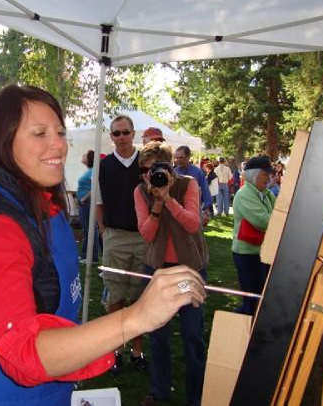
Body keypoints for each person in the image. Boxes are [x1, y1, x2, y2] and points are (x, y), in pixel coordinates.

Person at [0, 84, 206, 406]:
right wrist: (136, 318)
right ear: (3, 141)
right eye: (39, 133)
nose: (58, 145)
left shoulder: (43, 202)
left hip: (51, 386)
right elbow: (23, 350)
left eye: (60, 132)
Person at [135, 141, 208, 406]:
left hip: (189, 268)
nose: (149, 176)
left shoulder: (188, 184)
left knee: (192, 334)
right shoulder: (141, 192)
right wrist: (156, 205)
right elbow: (146, 234)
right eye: (143, 171)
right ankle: (160, 390)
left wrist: (168, 198)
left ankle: (196, 396)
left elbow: (192, 223)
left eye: (154, 169)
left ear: (169, 167)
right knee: (158, 334)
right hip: (158, 269)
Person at [96, 115, 148, 375]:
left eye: (125, 132)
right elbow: (98, 201)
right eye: (116, 133)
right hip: (115, 236)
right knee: (114, 297)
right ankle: (114, 351)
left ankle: (137, 351)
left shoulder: (146, 163)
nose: (121, 137)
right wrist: (103, 231)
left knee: (139, 298)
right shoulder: (104, 166)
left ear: (133, 133)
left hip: (143, 237)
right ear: (111, 136)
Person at [231, 156, 276, 315]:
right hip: (247, 254)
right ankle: (244, 332)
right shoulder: (245, 195)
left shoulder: (266, 193)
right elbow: (264, 222)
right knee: (252, 300)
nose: (268, 178)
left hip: (259, 252)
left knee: (260, 298)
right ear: (254, 175)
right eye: (265, 174)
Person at [173, 146, 213, 225]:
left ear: (188, 157)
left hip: (194, 210)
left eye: (181, 158)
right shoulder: (174, 173)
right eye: (176, 158)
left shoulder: (198, 172)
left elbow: (205, 190)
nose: (178, 160)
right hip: (177, 210)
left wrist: (207, 211)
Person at [76, 150, 98, 263]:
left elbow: (94, 187)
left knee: (91, 229)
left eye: (84, 155)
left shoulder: (93, 171)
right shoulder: (89, 171)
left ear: (89, 159)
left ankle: (92, 256)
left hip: (87, 203)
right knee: (86, 230)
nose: (83, 156)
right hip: (83, 203)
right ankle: (85, 254)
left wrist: (85, 198)